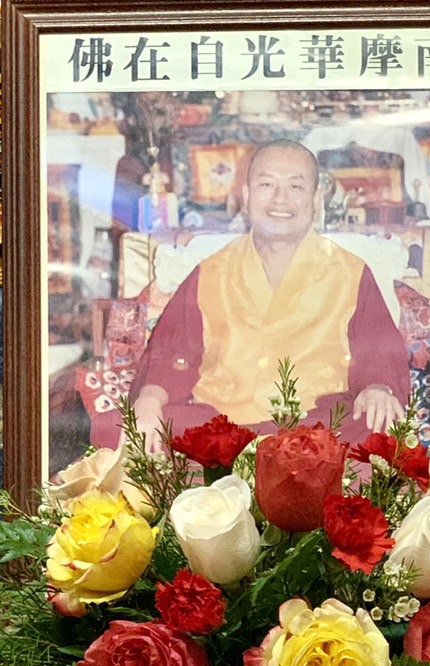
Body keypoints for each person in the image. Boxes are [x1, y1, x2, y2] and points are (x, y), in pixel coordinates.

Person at [128, 140, 410, 450]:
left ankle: (251, 473)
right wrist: (149, 401)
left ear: (316, 200)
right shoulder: (210, 272)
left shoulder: (350, 273)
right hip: (220, 428)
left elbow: (378, 353)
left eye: (295, 187)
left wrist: (378, 389)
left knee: (376, 426)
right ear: (246, 196)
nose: (280, 199)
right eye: (267, 184)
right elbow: (171, 354)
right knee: (119, 428)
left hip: (316, 430)